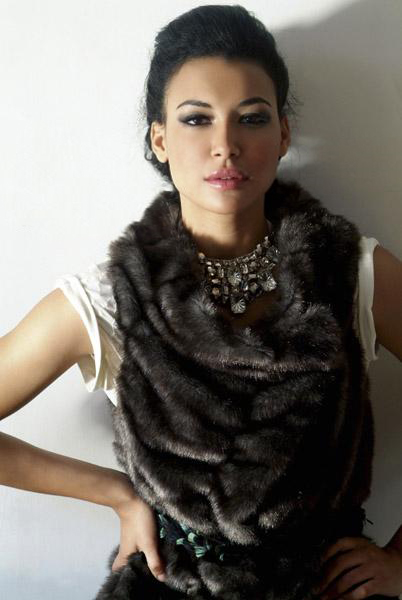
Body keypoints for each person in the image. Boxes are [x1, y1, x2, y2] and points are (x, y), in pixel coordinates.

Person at [1, 4, 402, 599]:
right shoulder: (110, 298)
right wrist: (116, 493)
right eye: (196, 119)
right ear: (160, 139)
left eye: (251, 118)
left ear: (283, 134)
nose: (225, 146)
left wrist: (399, 561)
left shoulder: (353, 273)